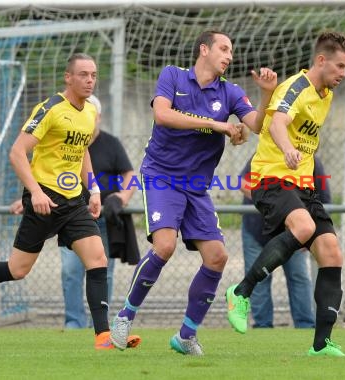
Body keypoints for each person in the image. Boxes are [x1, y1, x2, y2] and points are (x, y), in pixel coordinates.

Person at [0, 53, 140, 350]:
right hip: (44, 198)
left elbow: (83, 154)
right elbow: (17, 152)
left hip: (74, 201)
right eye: (83, 74)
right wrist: (36, 192)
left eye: (93, 75)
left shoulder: (90, 112)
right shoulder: (50, 108)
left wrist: (92, 191)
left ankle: (103, 335)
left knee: (98, 260)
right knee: (18, 269)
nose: (90, 80)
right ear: (68, 77)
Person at [109, 30, 277, 356]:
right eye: (224, 48)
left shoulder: (230, 92)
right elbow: (163, 114)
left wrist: (267, 95)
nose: (229, 55)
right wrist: (219, 126)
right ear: (204, 49)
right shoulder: (172, 75)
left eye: (232, 50)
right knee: (165, 246)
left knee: (217, 257)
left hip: (196, 188)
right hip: (162, 177)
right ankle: (124, 317)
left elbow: (256, 125)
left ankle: (186, 335)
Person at [225, 30, 345, 357]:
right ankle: (240, 293)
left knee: (331, 253)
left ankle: (321, 344)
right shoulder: (295, 87)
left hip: (303, 185)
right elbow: (276, 124)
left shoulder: (325, 94)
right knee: (303, 228)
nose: (343, 74)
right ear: (321, 60)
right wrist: (286, 150)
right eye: (339, 66)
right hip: (271, 177)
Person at [60, 94, 139, 328]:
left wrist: (122, 196)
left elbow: (130, 175)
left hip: (102, 218)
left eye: (91, 113)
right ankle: (74, 322)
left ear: (99, 117)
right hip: (71, 217)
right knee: (71, 272)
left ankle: (101, 323)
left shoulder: (111, 143)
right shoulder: (66, 142)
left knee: (103, 272)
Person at [240, 155, 331, 329]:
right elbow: (243, 183)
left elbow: (323, 200)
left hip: (293, 234)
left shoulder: (313, 162)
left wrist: (309, 232)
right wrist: (272, 198)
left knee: (298, 278)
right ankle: (263, 326)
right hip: (256, 230)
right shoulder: (264, 153)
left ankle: (305, 325)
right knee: (259, 279)